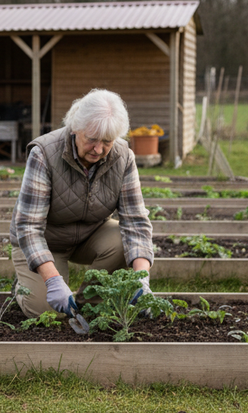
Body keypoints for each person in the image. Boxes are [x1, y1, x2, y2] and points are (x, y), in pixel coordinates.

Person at [9, 89, 154, 319]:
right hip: (46, 241)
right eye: (92, 140)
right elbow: (28, 227)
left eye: (107, 141)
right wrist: (53, 281)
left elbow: (136, 222)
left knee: (121, 238)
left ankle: (88, 301)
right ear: (76, 128)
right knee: (47, 313)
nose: (98, 149)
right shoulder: (44, 154)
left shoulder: (123, 157)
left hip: (89, 235)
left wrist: (141, 280)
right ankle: (21, 287)